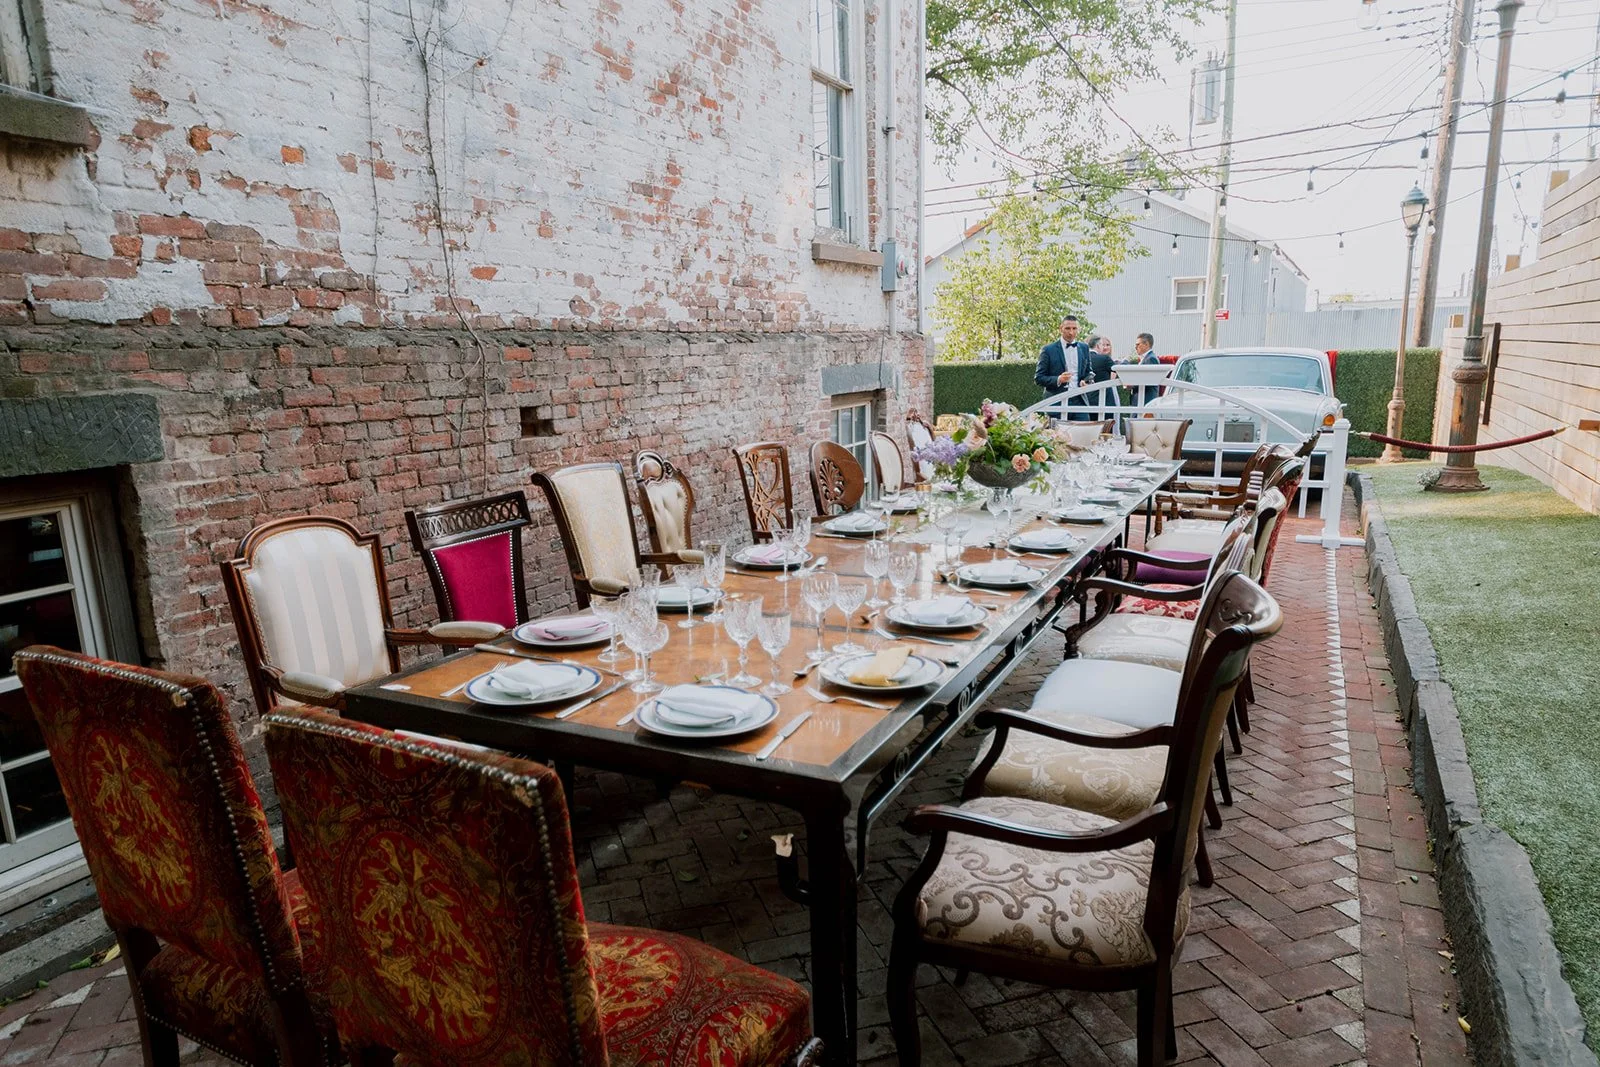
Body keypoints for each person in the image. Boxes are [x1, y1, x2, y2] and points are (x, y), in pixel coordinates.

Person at [1035, 316, 1090, 417]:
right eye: (1067, 328)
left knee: (1083, 431)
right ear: (1061, 329)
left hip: (1079, 401)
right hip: (1056, 401)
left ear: (1079, 329)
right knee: (1059, 432)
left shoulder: (1084, 347)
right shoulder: (1048, 350)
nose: (1071, 332)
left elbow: (1089, 373)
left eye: (1074, 328)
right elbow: (1039, 378)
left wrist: (1086, 381)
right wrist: (1059, 379)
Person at [1133, 331, 1162, 405]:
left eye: (1138, 344)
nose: (1135, 347)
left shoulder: (1151, 359)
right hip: (1142, 400)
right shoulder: (1147, 358)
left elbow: (1148, 380)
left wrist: (1131, 384)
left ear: (1146, 344)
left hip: (1146, 401)